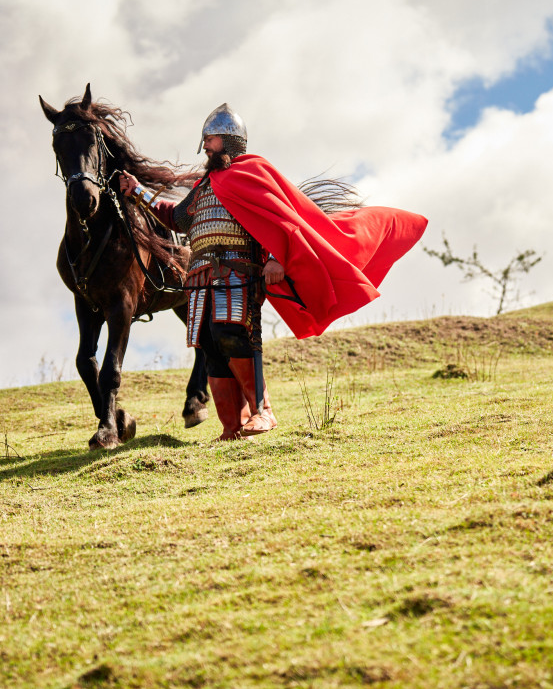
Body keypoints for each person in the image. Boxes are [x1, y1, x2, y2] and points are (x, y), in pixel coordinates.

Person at [119, 104, 427, 441]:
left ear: (231, 141)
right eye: (205, 139)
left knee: (231, 334)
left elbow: (279, 219)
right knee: (209, 344)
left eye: (212, 138)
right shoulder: (204, 186)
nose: (205, 145)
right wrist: (136, 190)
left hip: (237, 274)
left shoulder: (252, 172)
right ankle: (231, 427)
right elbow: (174, 216)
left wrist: (278, 257)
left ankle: (262, 412)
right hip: (199, 278)